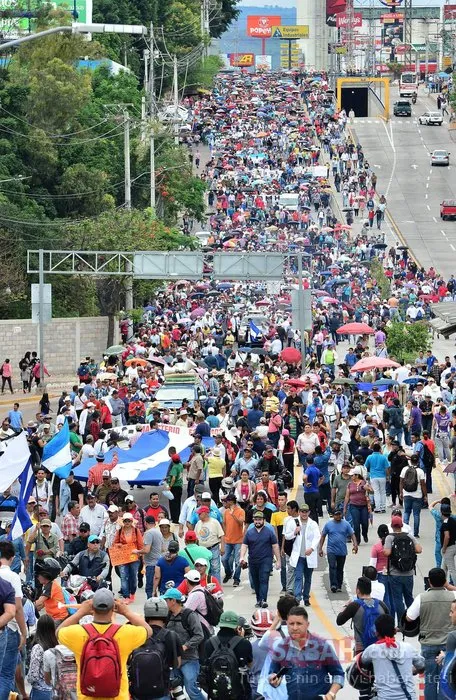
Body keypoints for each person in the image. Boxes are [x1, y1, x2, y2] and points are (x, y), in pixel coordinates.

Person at [58, 589, 151, 700]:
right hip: (118, 696)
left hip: (87, 696)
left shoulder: (78, 633)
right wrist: (127, 612)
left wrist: (81, 612)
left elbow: (58, 631)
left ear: (92, 608)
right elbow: (148, 630)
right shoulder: (126, 632)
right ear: (113, 609)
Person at [267, 605, 344, 700]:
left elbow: (338, 674)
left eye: (299, 623)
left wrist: (331, 694)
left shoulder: (322, 647)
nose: (295, 628)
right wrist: (273, 679)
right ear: (286, 624)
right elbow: (272, 673)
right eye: (291, 624)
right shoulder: (281, 648)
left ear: (307, 624)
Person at [406, 567, 455, 700]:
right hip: (448, 645)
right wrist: (450, 587)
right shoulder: (453, 596)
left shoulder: (422, 598)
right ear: (445, 580)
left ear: (430, 582)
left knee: (430, 680)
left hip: (428, 644)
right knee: (447, 681)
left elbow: (409, 617)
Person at [129, 597, 182, 700]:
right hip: (161, 691)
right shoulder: (171, 636)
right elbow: (177, 663)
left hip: (138, 691)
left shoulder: (137, 634)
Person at [361, 614, 425, 700]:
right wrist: (411, 670)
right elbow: (422, 666)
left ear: (376, 632)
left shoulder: (372, 650)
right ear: (395, 631)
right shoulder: (408, 648)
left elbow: (362, 663)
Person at [162, 587, 205, 700]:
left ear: (173, 601)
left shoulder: (189, 615)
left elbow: (199, 635)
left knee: (191, 689)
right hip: (173, 660)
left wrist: (185, 646)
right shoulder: (167, 616)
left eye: (166, 600)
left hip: (189, 659)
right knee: (175, 690)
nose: (165, 602)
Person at [201, 610, 253, 700]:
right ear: (236, 626)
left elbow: (204, 665)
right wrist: (241, 638)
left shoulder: (209, 643)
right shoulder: (244, 643)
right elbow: (250, 665)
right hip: (239, 691)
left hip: (216, 691)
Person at [0, 540, 27, 699]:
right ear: (12, 558)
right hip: (8, 629)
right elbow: (17, 608)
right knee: (4, 675)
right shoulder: (12, 576)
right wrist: (24, 632)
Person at [384, 515, 422, 624]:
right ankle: (414, 621)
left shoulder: (389, 537)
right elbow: (419, 550)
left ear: (391, 526)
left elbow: (387, 553)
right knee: (409, 597)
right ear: (401, 525)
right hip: (409, 573)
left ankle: (402, 623)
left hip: (395, 573)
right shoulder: (409, 536)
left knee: (398, 599)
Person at [240, 510, 280, 608]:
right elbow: (244, 546)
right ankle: (258, 600)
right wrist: (241, 557)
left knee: (264, 579)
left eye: (259, 519)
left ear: (264, 520)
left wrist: (278, 560)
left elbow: (275, 546)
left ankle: (263, 600)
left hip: (266, 560)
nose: (257, 521)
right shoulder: (249, 533)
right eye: (256, 519)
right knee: (256, 581)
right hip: (253, 560)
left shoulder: (269, 532)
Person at [286, 504, 320, 606]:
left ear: (309, 512)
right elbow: (287, 536)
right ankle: (297, 597)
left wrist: (312, 548)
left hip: (309, 556)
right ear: (299, 512)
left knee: (308, 578)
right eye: (302, 511)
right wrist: (294, 533)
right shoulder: (293, 522)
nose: (304, 514)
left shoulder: (313, 524)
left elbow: (317, 536)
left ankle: (306, 597)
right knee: (298, 577)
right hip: (298, 556)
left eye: (306, 512)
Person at [319, 504, 358, 593]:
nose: (338, 516)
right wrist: (320, 548)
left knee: (340, 568)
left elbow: (352, 534)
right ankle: (333, 584)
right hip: (331, 550)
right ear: (333, 515)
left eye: (339, 514)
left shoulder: (346, 524)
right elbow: (323, 536)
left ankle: (339, 585)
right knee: (332, 566)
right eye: (336, 514)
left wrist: (355, 544)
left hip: (342, 551)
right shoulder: (328, 524)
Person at [113, 512, 144, 602]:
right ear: (123, 522)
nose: (127, 523)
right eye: (125, 521)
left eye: (129, 521)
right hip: (123, 556)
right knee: (124, 576)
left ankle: (132, 593)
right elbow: (115, 543)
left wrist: (139, 553)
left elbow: (140, 543)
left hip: (134, 557)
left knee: (133, 575)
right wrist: (119, 545)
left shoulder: (136, 530)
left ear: (131, 522)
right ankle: (126, 595)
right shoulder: (119, 532)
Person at [26, 613, 57, 700]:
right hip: (55, 691)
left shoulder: (38, 648)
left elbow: (33, 675)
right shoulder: (57, 646)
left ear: (39, 629)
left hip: (40, 691)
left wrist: (29, 679)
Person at [194, 506, 224, 582]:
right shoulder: (198, 524)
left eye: (200, 514)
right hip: (202, 549)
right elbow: (196, 537)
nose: (199, 515)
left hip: (213, 548)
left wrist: (222, 547)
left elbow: (221, 535)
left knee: (215, 568)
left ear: (206, 513)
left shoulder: (214, 522)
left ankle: (217, 586)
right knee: (203, 568)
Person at [136, 515, 163, 599]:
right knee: (156, 587)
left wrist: (137, 551)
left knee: (149, 588)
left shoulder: (149, 533)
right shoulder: (158, 532)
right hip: (159, 562)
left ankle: (151, 605)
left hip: (151, 564)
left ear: (146, 523)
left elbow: (146, 550)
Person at [221, 493, 245, 587]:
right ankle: (229, 572)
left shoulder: (240, 511)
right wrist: (225, 532)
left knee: (238, 561)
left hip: (238, 540)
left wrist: (233, 515)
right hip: (228, 540)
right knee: (224, 559)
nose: (225, 503)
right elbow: (224, 523)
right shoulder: (225, 512)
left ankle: (236, 578)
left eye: (227, 501)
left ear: (231, 501)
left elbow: (241, 522)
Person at [400, 454, 427, 537]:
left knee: (406, 512)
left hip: (406, 494)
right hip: (417, 495)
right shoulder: (420, 471)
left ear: (410, 461)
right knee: (416, 514)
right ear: (418, 461)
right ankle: (415, 533)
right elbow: (423, 484)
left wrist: (401, 492)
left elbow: (401, 481)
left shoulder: (405, 469)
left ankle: (405, 531)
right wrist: (425, 496)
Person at [344, 466, 371, 545]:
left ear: (356, 475)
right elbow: (347, 496)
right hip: (354, 505)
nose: (351, 477)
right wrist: (345, 507)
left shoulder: (364, 482)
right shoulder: (350, 484)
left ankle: (364, 533)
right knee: (356, 523)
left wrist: (367, 488)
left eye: (352, 475)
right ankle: (357, 539)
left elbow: (371, 491)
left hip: (363, 505)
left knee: (365, 522)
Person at [365, 442, 389, 513]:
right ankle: (383, 507)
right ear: (380, 449)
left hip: (373, 476)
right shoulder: (383, 457)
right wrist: (388, 476)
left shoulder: (369, 457)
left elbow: (366, 466)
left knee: (376, 492)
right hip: (382, 476)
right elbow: (387, 468)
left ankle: (377, 508)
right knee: (383, 492)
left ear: (373, 449)